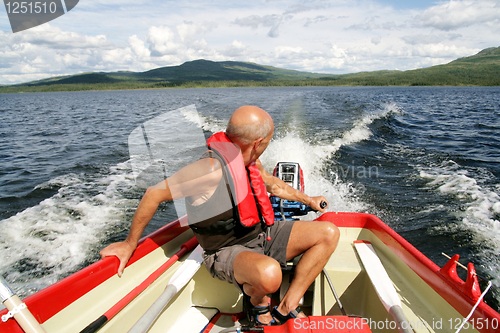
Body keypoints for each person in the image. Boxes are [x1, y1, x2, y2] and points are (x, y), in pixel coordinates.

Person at [100, 105, 340, 326]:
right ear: (257, 143)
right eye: (268, 140)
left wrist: (308, 200)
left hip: (261, 235)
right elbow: (154, 194)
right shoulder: (208, 171)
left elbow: (273, 185)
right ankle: (258, 305)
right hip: (226, 250)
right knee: (270, 274)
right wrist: (129, 244)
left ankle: (288, 304)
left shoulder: (249, 160)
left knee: (328, 233)